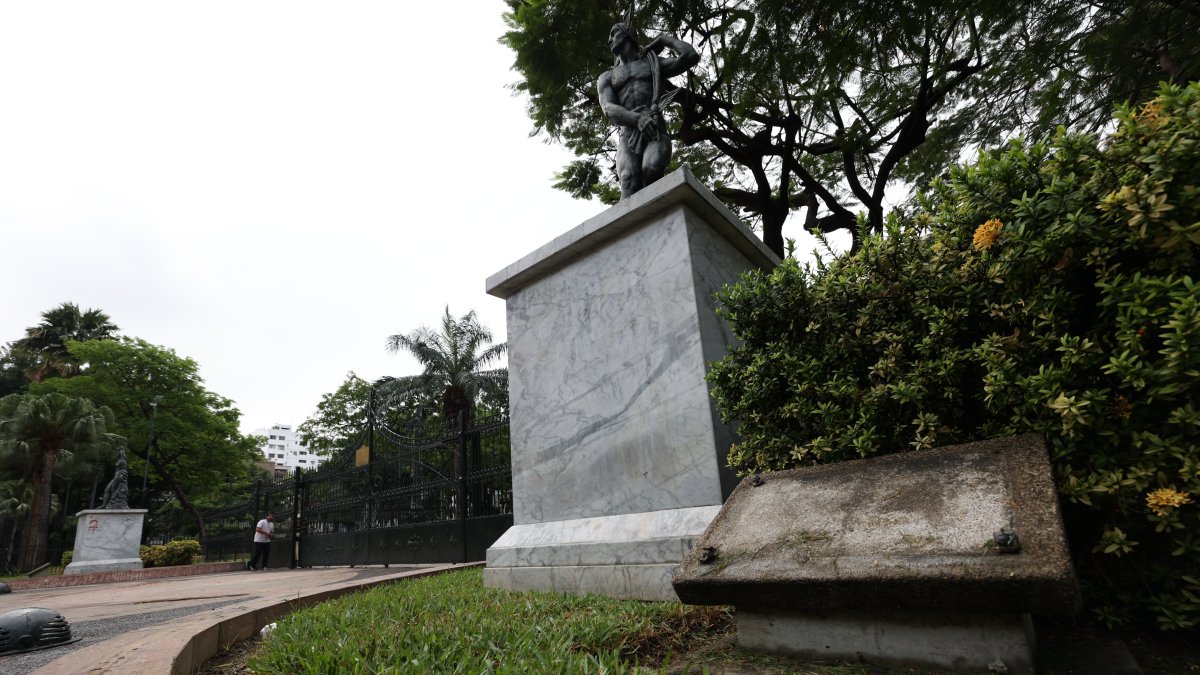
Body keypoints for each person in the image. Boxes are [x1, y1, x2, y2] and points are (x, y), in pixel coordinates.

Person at [597, 20, 699, 199]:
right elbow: (608, 108)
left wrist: (663, 40)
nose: (609, 39)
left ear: (627, 34)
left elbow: (690, 56)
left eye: (614, 33)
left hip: (654, 129)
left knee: (651, 170)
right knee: (628, 179)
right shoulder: (608, 77)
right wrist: (637, 119)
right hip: (628, 134)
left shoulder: (653, 64)